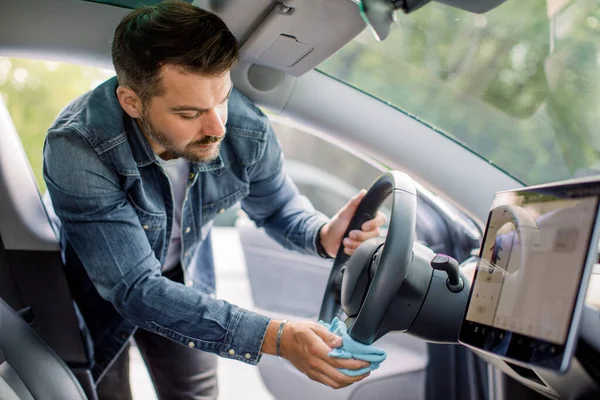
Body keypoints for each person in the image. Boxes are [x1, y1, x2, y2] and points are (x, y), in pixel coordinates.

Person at [42, 1, 386, 399]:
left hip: (186, 278)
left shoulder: (245, 129)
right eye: (189, 113)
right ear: (131, 102)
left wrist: (323, 234)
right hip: (99, 293)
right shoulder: (78, 147)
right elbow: (135, 288)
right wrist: (276, 337)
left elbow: (276, 207)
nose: (218, 127)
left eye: (222, 99)